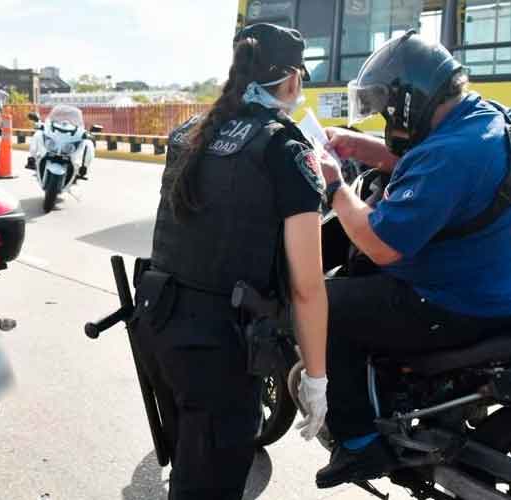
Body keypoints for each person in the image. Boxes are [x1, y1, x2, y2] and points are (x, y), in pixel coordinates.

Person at [135, 23, 329, 499]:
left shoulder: (189, 134)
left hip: (160, 326)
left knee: (191, 462)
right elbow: (308, 286)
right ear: (290, 80)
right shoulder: (285, 149)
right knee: (208, 484)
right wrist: (317, 380)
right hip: (219, 349)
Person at [316, 32, 511, 489]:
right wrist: (362, 148)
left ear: (409, 101)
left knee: (321, 304)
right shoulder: (482, 119)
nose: (384, 116)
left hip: (454, 302)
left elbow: (381, 244)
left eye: (386, 106)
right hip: (494, 282)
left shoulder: (451, 155)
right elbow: (435, 167)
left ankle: (359, 443)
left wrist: (335, 187)